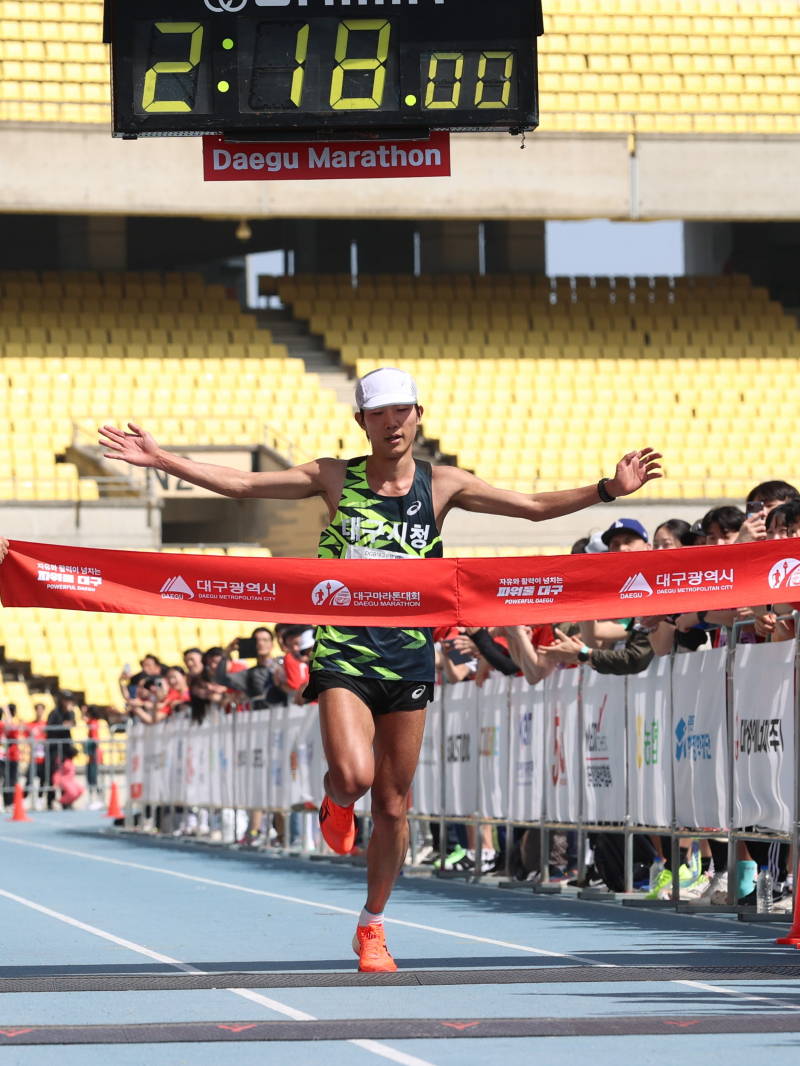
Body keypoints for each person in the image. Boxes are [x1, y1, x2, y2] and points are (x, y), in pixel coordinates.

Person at [0, 366, 661, 971]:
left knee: (397, 807)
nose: (393, 423)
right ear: (362, 423)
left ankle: (372, 925)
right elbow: (242, 484)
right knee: (354, 773)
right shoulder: (334, 476)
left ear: (419, 416)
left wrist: (609, 488)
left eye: (403, 411)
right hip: (344, 646)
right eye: (380, 413)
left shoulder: (445, 485)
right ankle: (335, 798)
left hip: (408, 652)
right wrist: (160, 459)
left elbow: (534, 507)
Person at [541, 519, 655, 676]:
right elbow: (597, 635)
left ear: (648, 547)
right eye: (615, 544)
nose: (622, 548)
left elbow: (635, 658)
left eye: (629, 541)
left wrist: (583, 652)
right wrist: (585, 592)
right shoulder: (618, 595)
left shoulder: (661, 584)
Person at [215, 627, 275, 702]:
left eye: (265, 640)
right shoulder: (248, 674)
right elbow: (220, 679)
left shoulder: (282, 665)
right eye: (256, 640)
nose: (260, 643)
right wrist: (225, 654)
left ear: (272, 645)